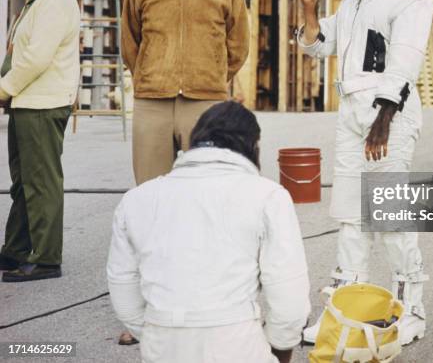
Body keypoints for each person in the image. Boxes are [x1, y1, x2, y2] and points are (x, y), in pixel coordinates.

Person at [297, 0, 433, 345]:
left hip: (387, 116)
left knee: (390, 217)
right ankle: (344, 309)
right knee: (351, 217)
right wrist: (308, 8)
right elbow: (322, 46)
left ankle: (410, 309)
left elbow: (405, 61)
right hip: (353, 113)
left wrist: (384, 120)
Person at [107, 101, 310, 363]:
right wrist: (280, 350)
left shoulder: (136, 199)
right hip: (237, 344)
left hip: (161, 345)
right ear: (253, 147)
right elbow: (289, 300)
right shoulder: (268, 196)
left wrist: (157, 334)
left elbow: (123, 288)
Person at [121, 0, 249, 186]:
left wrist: (212, 77)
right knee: (151, 189)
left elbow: (238, 44)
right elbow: (130, 41)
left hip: (206, 101)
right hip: (152, 101)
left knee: (205, 187)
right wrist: (148, 75)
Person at [0, 0, 80, 282]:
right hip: (28, 102)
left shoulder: (55, 1)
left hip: (42, 105)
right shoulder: (39, 0)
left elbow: (35, 59)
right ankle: (16, 249)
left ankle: (46, 258)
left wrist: (2, 89)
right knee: (24, 182)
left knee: (41, 183)